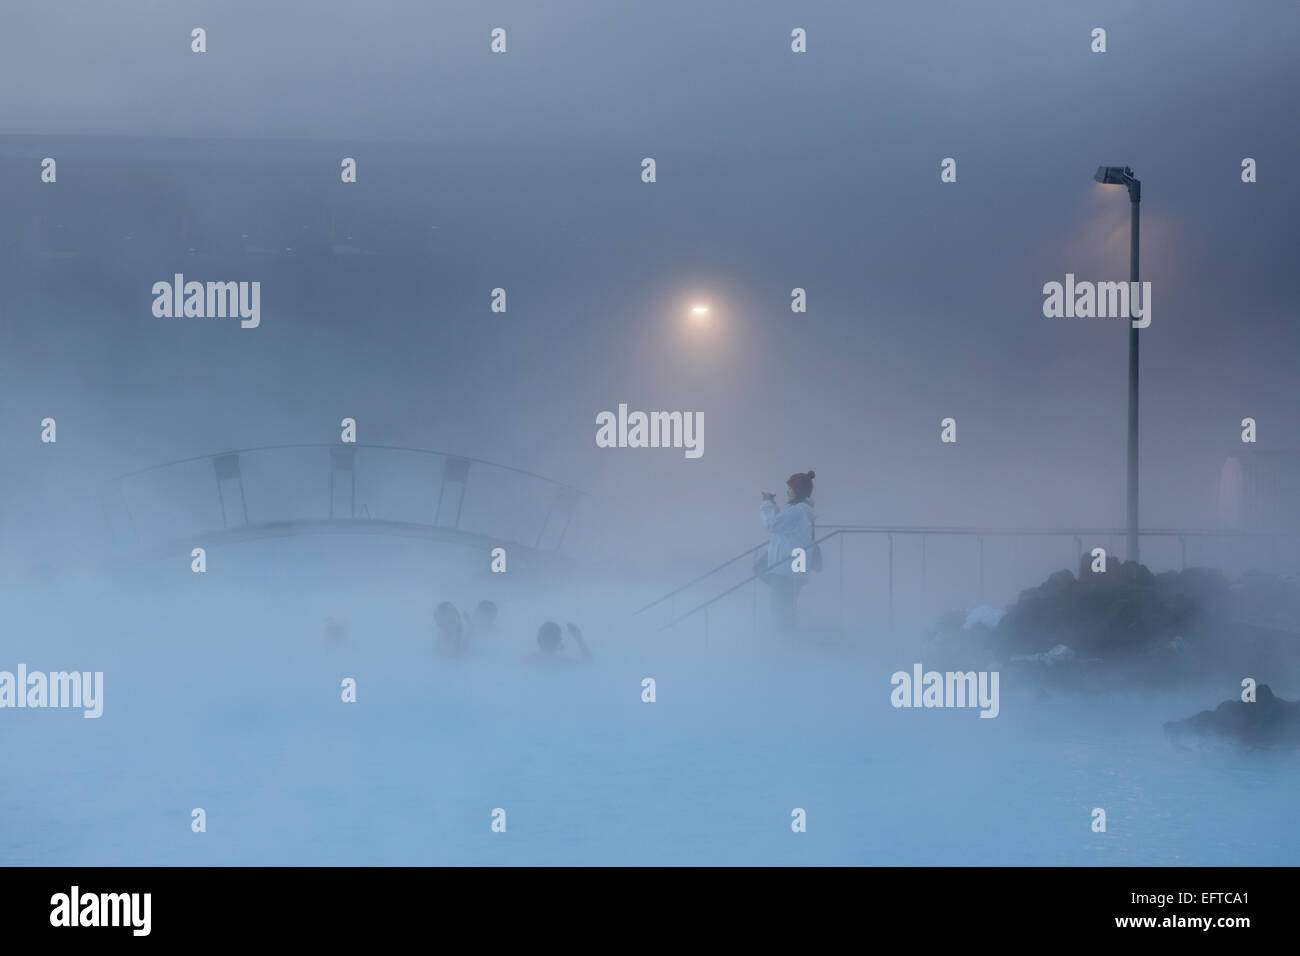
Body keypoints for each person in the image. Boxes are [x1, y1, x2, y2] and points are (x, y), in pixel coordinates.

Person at [758, 469, 816, 635]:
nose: (787, 491)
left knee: (780, 610)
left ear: (798, 490)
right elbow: (784, 526)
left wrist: (767, 504)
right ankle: (786, 641)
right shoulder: (802, 510)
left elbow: (772, 525)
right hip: (790, 569)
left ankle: (785, 644)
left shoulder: (797, 511)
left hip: (786, 570)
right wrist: (775, 507)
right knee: (785, 607)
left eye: (790, 488)